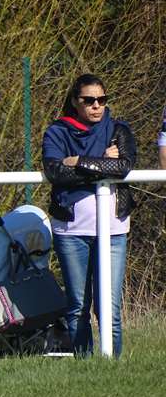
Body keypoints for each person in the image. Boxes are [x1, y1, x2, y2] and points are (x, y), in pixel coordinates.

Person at [42, 74, 137, 358]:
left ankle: (112, 367)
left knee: (110, 307)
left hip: (114, 231)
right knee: (77, 306)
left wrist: (80, 161)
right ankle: (84, 365)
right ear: (75, 101)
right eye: (89, 100)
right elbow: (56, 171)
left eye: (102, 100)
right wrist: (102, 162)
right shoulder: (57, 132)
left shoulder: (118, 129)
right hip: (71, 232)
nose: (97, 106)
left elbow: (123, 167)